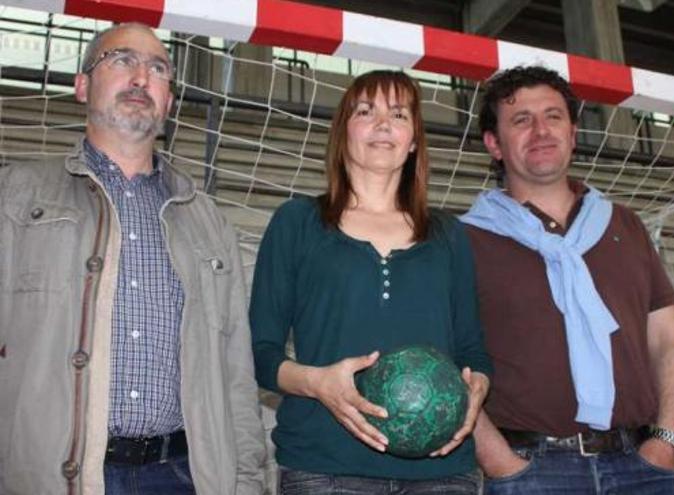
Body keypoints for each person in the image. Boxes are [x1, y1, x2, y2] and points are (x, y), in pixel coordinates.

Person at [0, 23, 266, 495]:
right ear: (82, 85)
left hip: (181, 476)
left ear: (168, 101)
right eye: (122, 59)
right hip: (50, 478)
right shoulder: (16, 198)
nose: (142, 76)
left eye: (158, 68)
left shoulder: (208, 221)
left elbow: (235, 378)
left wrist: (245, 483)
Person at [249, 70, 492, 495]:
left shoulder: (449, 235)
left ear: (414, 139)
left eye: (398, 114)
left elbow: (473, 351)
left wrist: (476, 390)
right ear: (343, 133)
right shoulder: (296, 223)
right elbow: (259, 354)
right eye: (366, 111)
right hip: (324, 468)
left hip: (443, 473)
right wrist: (318, 383)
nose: (383, 124)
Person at [461, 66, 674, 494]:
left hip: (643, 467)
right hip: (531, 471)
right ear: (494, 144)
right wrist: (499, 462)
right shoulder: (463, 239)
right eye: (521, 120)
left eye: (553, 116)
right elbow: (448, 360)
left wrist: (668, 441)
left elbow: (668, 341)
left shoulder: (624, 224)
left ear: (572, 132)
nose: (541, 130)